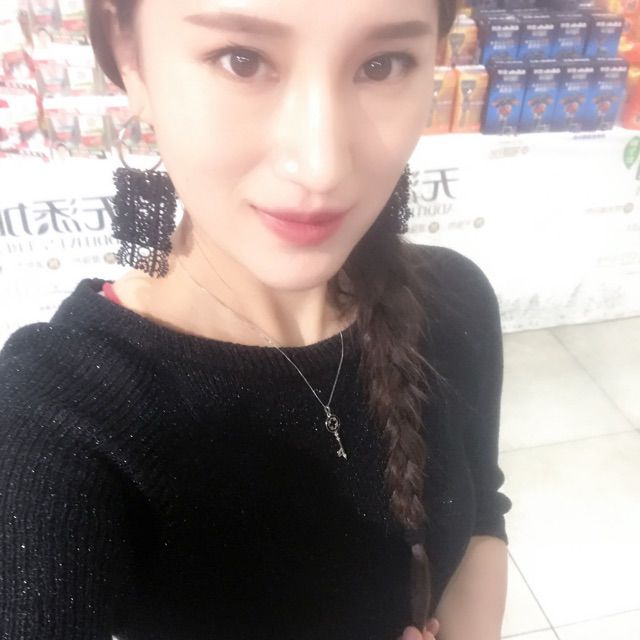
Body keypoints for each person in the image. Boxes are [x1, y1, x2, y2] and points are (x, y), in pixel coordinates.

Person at [0, 0, 512, 639]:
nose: (322, 166)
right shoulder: (60, 417)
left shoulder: (452, 298)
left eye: (382, 64)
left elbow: (482, 513)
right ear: (130, 59)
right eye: (241, 61)